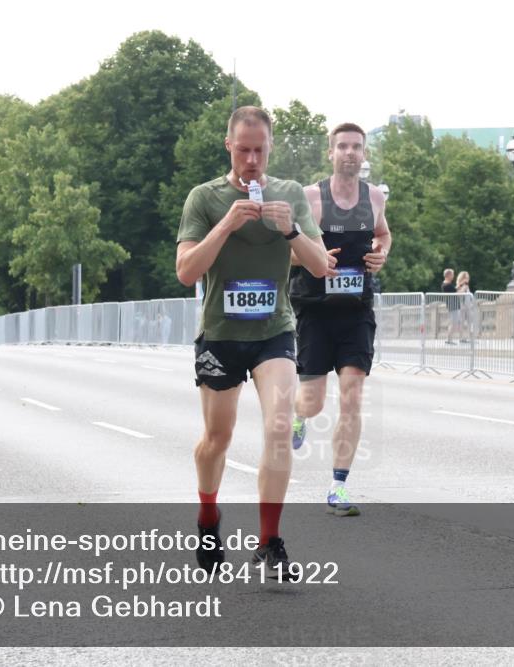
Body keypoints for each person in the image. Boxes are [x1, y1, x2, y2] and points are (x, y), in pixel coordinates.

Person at [175, 106, 327, 576]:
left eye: (260, 150)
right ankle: (207, 516)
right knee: (217, 439)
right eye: (244, 150)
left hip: (272, 332)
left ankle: (269, 541)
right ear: (229, 147)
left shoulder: (289, 196)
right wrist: (227, 224)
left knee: (280, 427)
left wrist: (291, 230)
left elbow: (321, 266)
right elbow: (186, 272)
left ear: (270, 148)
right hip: (221, 334)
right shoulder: (204, 198)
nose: (252, 160)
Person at [288, 122, 392, 517]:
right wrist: (314, 259)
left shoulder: (375, 197)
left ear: (364, 155)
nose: (350, 153)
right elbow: (287, 251)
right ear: (330, 153)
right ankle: (300, 416)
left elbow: (384, 234)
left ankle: (338, 487)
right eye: (343, 147)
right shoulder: (311, 197)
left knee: (352, 397)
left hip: (356, 310)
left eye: (357, 147)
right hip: (315, 310)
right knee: (313, 402)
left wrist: (382, 251)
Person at [441, 268, 457, 344]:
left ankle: (449, 339)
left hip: (452, 304)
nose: (453, 276)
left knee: (453, 322)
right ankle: (449, 339)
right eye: (452, 275)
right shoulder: (447, 285)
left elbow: (454, 290)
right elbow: (456, 292)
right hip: (453, 305)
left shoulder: (446, 284)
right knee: (453, 322)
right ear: (448, 275)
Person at [454, 270, 471, 343]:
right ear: (462, 278)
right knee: (462, 322)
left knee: (469, 322)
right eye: (466, 278)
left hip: (468, 306)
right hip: (461, 307)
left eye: (468, 278)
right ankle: (461, 338)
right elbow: (458, 294)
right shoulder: (459, 286)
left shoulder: (466, 286)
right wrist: (463, 287)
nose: (468, 279)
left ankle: (468, 337)